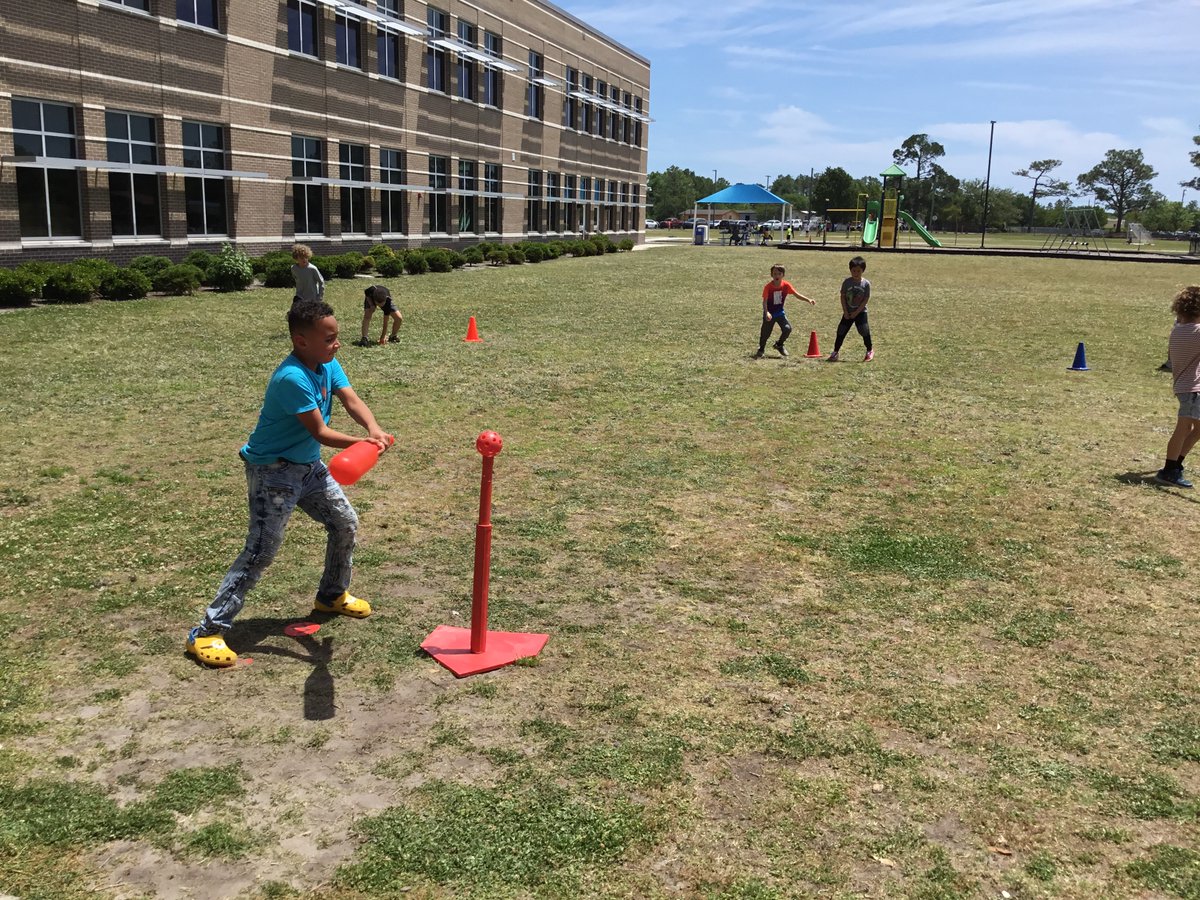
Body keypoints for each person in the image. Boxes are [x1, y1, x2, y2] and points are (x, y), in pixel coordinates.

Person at [186, 300, 393, 667]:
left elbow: (350, 399)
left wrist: (373, 429)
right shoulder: (291, 378)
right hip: (273, 473)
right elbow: (321, 431)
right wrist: (365, 444)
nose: (337, 344)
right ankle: (207, 632)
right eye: (329, 338)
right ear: (301, 341)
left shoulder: (326, 363)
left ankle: (331, 595)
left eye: (337, 337)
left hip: (308, 466)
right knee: (261, 550)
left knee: (344, 522)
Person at [1154, 286, 1200, 487]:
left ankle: (1175, 464)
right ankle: (1169, 469)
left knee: (1196, 427)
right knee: (1183, 428)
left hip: (1186, 386)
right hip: (1192, 389)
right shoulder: (1197, 332)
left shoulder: (1178, 330)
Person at [755, 263, 815, 359]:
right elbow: (765, 301)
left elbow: (796, 294)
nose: (776, 276)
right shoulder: (768, 287)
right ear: (771, 275)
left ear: (783, 275)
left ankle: (779, 344)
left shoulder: (786, 285)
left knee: (787, 329)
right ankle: (761, 349)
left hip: (779, 312)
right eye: (774, 274)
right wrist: (766, 312)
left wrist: (808, 299)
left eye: (779, 274)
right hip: (769, 313)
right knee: (765, 333)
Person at [828, 255, 874, 362]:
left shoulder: (866, 284)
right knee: (841, 331)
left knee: (864, 330)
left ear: (863, 270)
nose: (856, 273)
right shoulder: (847, 282)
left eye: (858, 271)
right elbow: (843, 296)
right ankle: (835, 352)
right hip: (848, 312)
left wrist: (856, 312)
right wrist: (845, 311)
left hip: (860, 312)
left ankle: (870, 350)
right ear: (850, 270)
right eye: (853, 271)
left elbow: (865, 299)